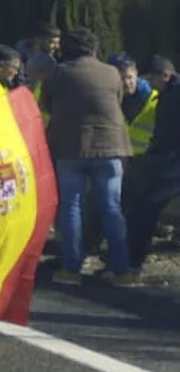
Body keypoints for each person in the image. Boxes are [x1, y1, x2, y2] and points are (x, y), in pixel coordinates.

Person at [40, 27, 134, 285]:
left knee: (71, 206)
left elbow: (46, 106)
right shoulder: (112, 73)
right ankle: (122, 270)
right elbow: (118, 100)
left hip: (71, 147)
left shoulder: (57, 74)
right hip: (111, 147)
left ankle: (71, 267)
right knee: (112, 208)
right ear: (94, 49)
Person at [126, 57, 178, 278]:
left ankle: (132, 263)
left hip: (170, 160)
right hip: (168, 158)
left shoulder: (173, 97)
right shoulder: (170, 94)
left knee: (144, 206)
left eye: (151, 79)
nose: (150, 85)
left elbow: (167, 134)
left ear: (164, 76)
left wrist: (153, 157)